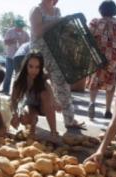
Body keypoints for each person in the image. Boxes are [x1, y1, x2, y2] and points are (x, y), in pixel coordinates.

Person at [29, 0, 85, 129]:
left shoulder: (57, 11)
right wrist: (58, 21)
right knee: (33, 86)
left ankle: (69, 121)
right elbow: (37, 31)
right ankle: (29, 117)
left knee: (63, 86)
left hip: (56, 54)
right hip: (39, 56)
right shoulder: (36, 10)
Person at [87, 0, 116, 119]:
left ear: (101, 10)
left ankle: (92, 103)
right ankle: (108, 110)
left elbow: (88, 38)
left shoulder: (95, 22)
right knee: (110, 83)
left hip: (97, 56)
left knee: (94, 81)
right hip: (113, 58)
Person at [10, 51, 59, 141]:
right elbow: (13, 99)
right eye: (31, 66)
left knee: (46, 96)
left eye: (37, 67)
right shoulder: (19, 79)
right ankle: (32, 126)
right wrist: (15, 114)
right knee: (24, 118)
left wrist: (55, 103)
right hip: (30, 105)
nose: (34, 70)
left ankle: (53, 132)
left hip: (44, 107)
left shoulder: (42, 78)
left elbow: (51, 93)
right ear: (26, 66)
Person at [0, 18, 30, 95]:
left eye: (22, 26)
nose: (20, 28)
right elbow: (5, 42)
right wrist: (13, 40)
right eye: (19, 26)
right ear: (16, 25)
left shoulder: (26, 34)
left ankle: (19, 92)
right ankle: (5, 90)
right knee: (8, 74)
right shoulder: (10, 32)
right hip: (10, 57)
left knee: (20, 75)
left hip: (20, 58)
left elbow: (29, 44)